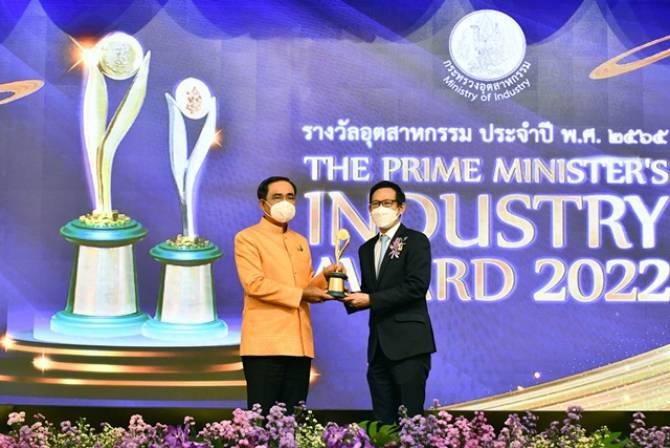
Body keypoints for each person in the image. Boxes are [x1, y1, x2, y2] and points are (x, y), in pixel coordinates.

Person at [234, 176, 338, 413]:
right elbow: (254, 284)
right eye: (277, 197)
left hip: (299, 345)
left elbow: (305, 287)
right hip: (265, 346)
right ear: (263, 204)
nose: (285, 202)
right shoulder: (247, 238)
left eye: (290, 197)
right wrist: (302, 292)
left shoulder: (299, 241)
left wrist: (326, 276)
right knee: (262, 420)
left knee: (295, 418)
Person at [344, 180, 436, 424]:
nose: (380, 208)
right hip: (378, 349)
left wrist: (371, 299)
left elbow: (416, 286)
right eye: (375, 204)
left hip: (409, 345)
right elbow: (368, 293)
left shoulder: (416, 241)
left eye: (387, 203)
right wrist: (342, 293)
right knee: (383, 423)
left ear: (401, 207)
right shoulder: (366, 249)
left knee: (410, 421)